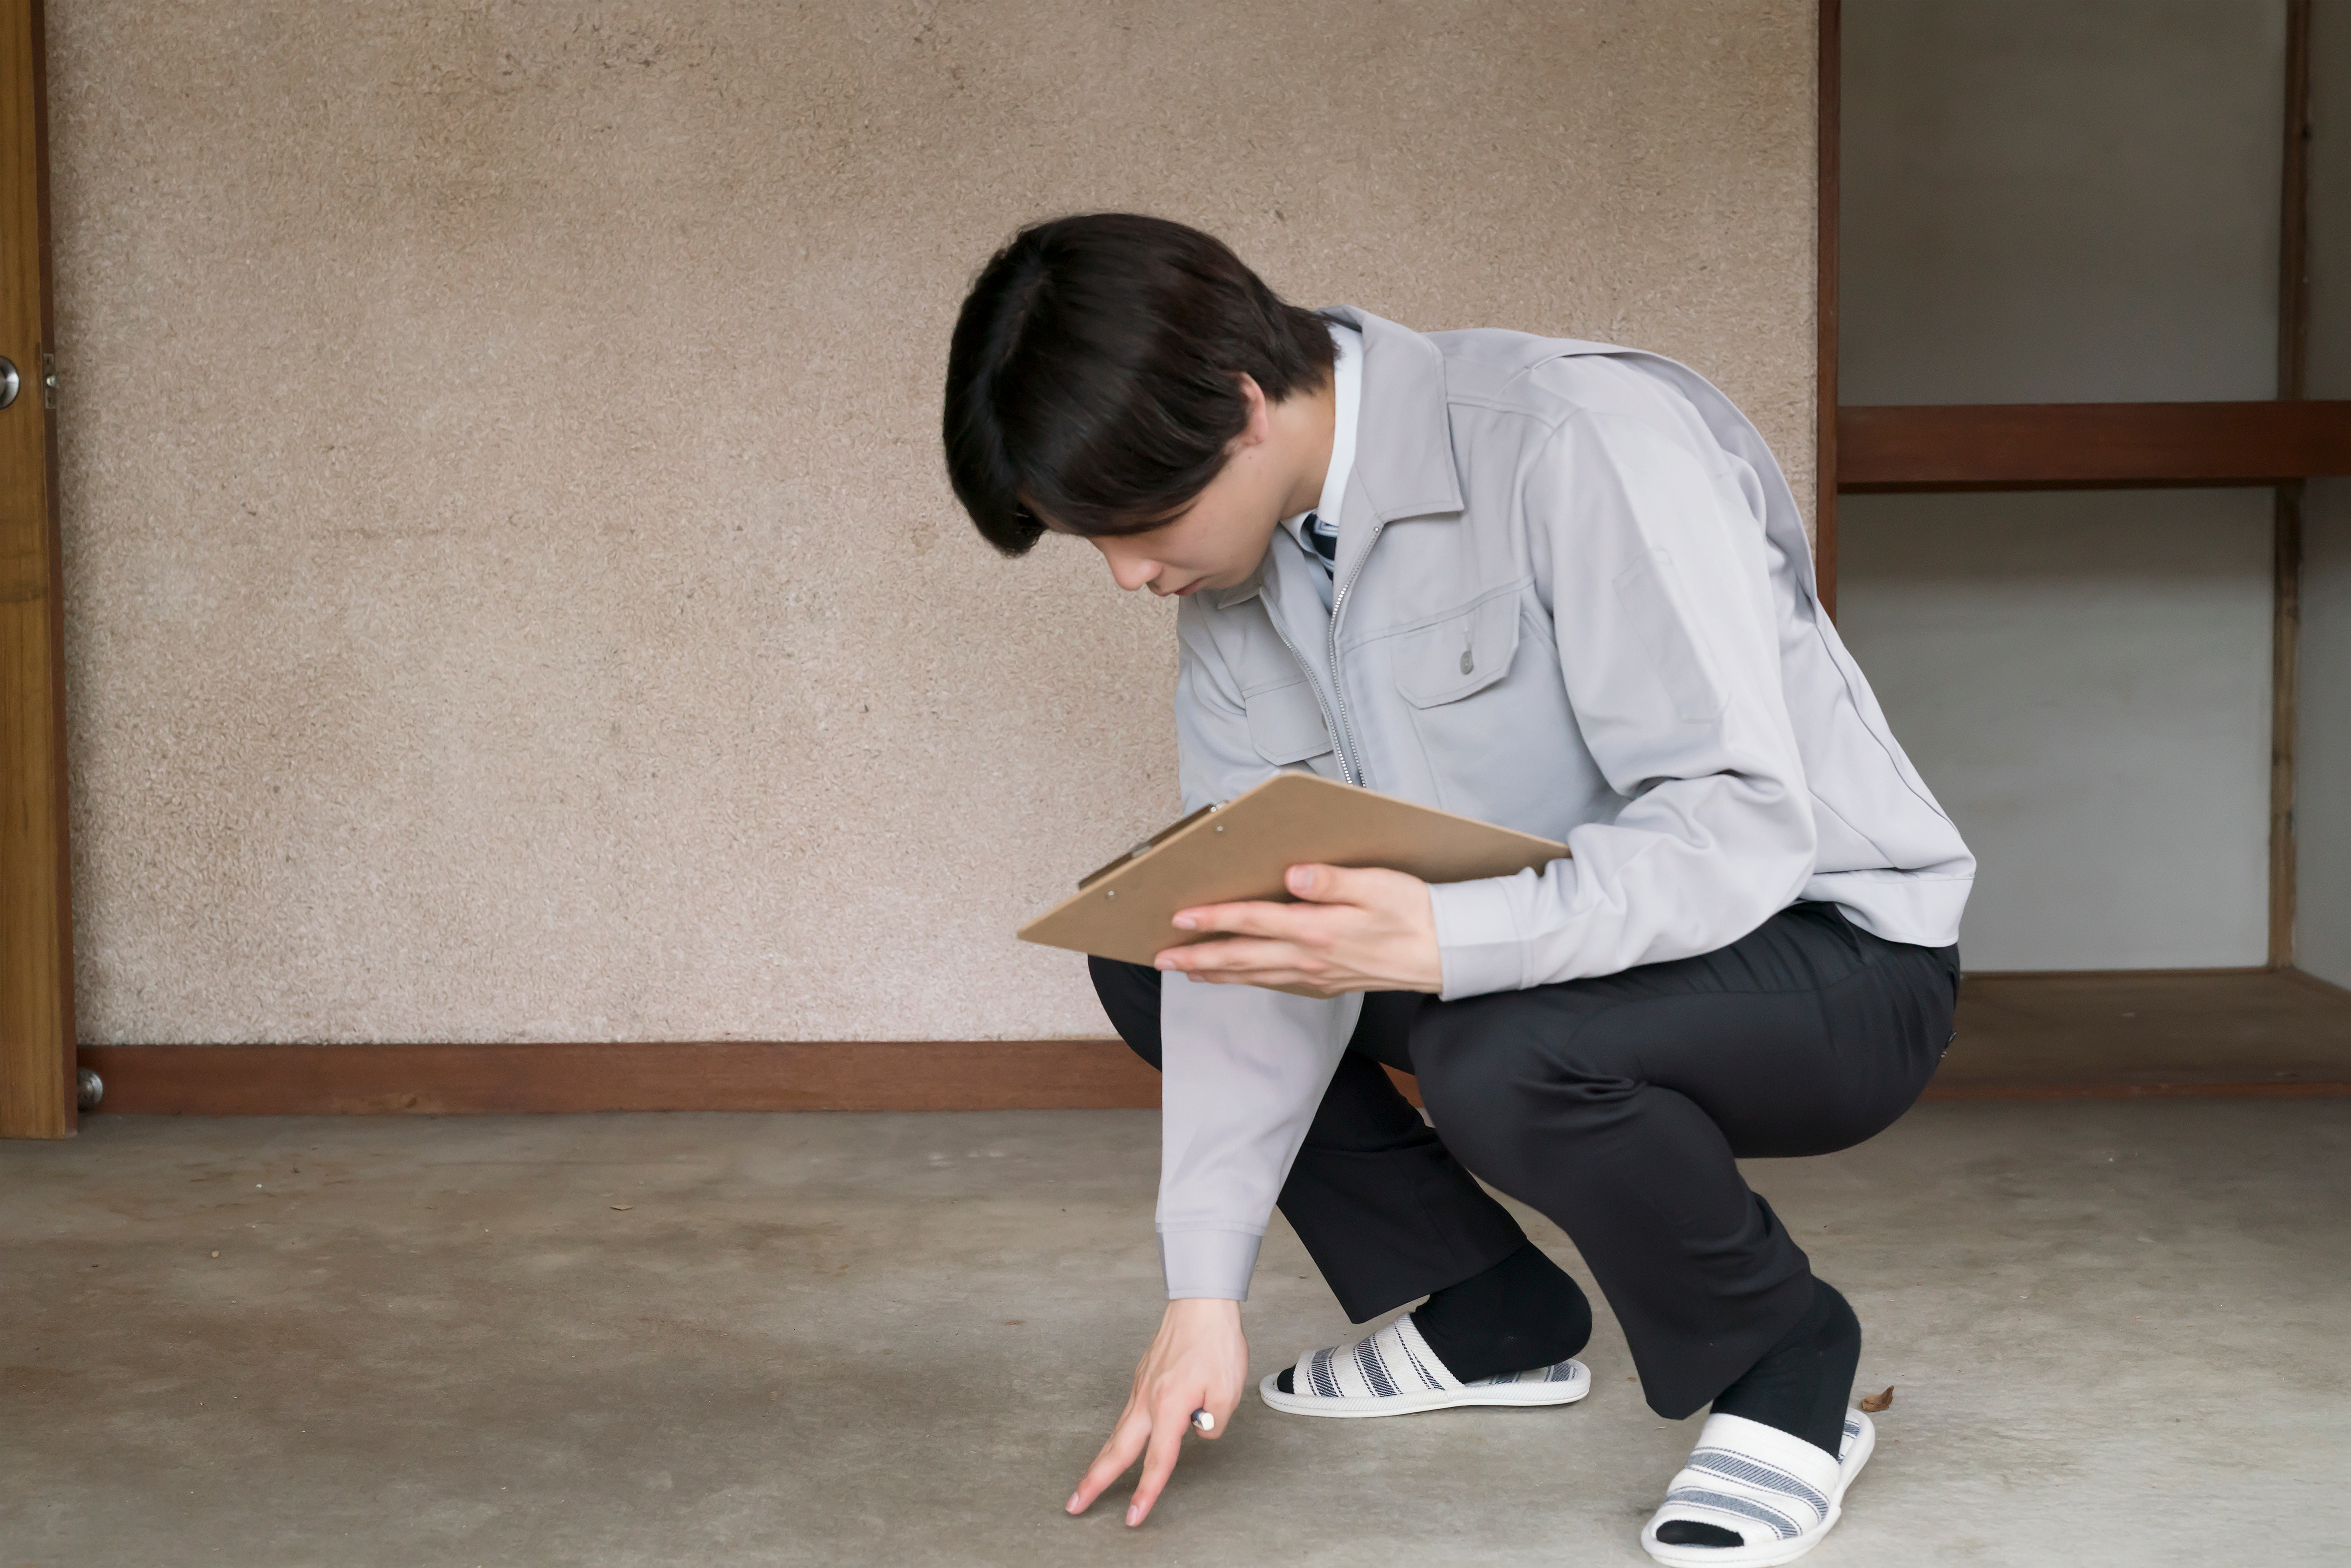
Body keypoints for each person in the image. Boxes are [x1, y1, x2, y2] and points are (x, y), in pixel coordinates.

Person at [939, 212, 1971, 1565]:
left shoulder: (1576, 440)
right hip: (1560, 954)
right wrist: (1204, 1289)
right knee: (1175, 937)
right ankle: (1494, 1314)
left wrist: (1447, 935)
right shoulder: (1242, 577)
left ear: (1243, 410)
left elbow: (1741, 826)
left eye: (1134, 526)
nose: (1131, 577)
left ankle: (1788, 1360)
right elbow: (1256, 907)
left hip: (1832, 954)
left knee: (1500, 1046)